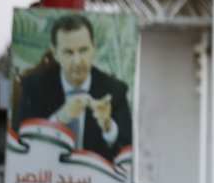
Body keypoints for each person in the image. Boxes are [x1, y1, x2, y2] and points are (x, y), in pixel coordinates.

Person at [14, 13, 133, 163]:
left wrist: (108, 126)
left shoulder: (115, 90)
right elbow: (20, 146)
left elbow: (128, 152)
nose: (77, 61)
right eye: (68, 52)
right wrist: (58, 119)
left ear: (93, 48)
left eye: (83, 50)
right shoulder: (33, 87)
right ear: (55, 53)